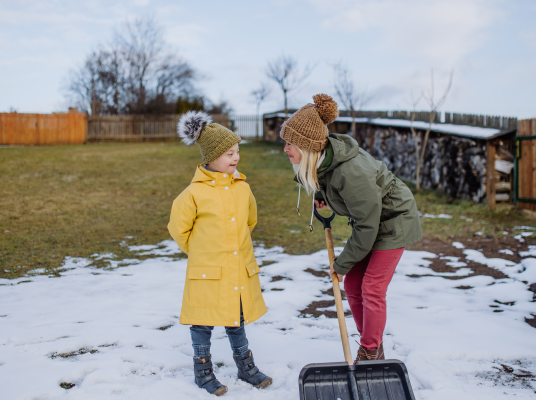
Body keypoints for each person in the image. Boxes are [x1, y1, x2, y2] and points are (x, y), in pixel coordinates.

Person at [282, 94, 422, 361]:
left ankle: (370, 351)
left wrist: (341, 263)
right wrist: (322, 195)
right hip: (372, 220)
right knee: (354, 285)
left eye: (290, 143)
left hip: (393, 221)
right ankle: (371, 342)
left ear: (308, 146)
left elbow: (367, 227)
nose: (285, 149)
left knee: (371, 287)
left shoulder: (351, 173)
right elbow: (324, 178)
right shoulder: (325, 161)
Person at [168, 111, 272, 396]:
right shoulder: (193, 194)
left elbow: (250, 221)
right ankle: (203, 371)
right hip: (208, 271)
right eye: (228, 153)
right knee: (202, 323)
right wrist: (201, 252)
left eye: (237, 151)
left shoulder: (243, 189)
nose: (235, 157)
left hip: (236, 269)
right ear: (211, 157)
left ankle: (245, 366)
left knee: (236, 320)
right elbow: (178, 229)